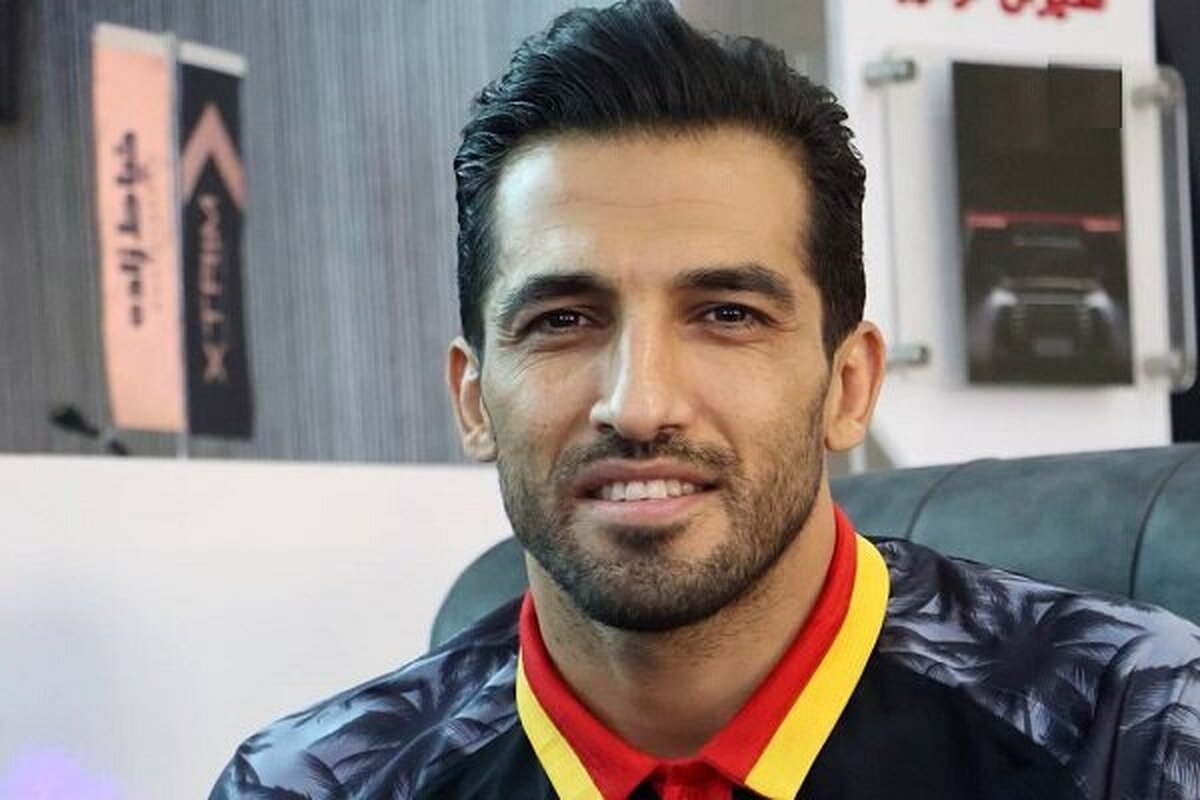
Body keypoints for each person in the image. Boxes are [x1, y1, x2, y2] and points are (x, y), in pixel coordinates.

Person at [209, 2, 1200, 798]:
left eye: (727, 314)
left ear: (848, 384)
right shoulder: (319, 780)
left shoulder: (1135, 726)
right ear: (474, 400)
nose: (639, 405)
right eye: (563, 319)